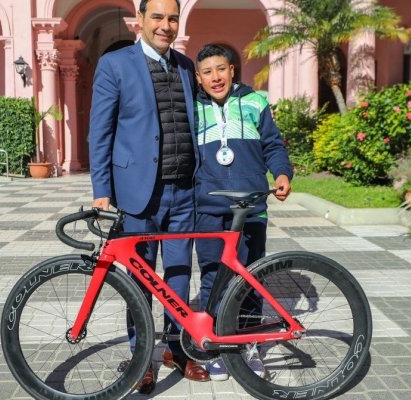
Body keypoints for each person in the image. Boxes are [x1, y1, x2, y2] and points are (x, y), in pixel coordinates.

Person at [88, 0, 209, 393]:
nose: (165, 25)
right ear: (139, 20)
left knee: (177, 277)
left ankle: (176, 349)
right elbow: (100, 131)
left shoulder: (187, 67)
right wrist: (102, 190)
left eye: (172, 18)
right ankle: (142, 357)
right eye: (157, 16)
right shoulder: (115, 64)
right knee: (139, 283)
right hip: (137, 195)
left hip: (183, 191)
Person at [193, 44, 293, 381]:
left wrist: (281, 173)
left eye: (221, 69)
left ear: (232, 70)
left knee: (250, 277)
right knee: (212, 277)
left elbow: (273, 144)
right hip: (208, 207)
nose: (215, 77)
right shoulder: (192, 107)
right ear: (198, 77)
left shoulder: (255, 102)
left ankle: (248, 346)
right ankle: (220, 347)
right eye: (207, 72)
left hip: (251, 205)